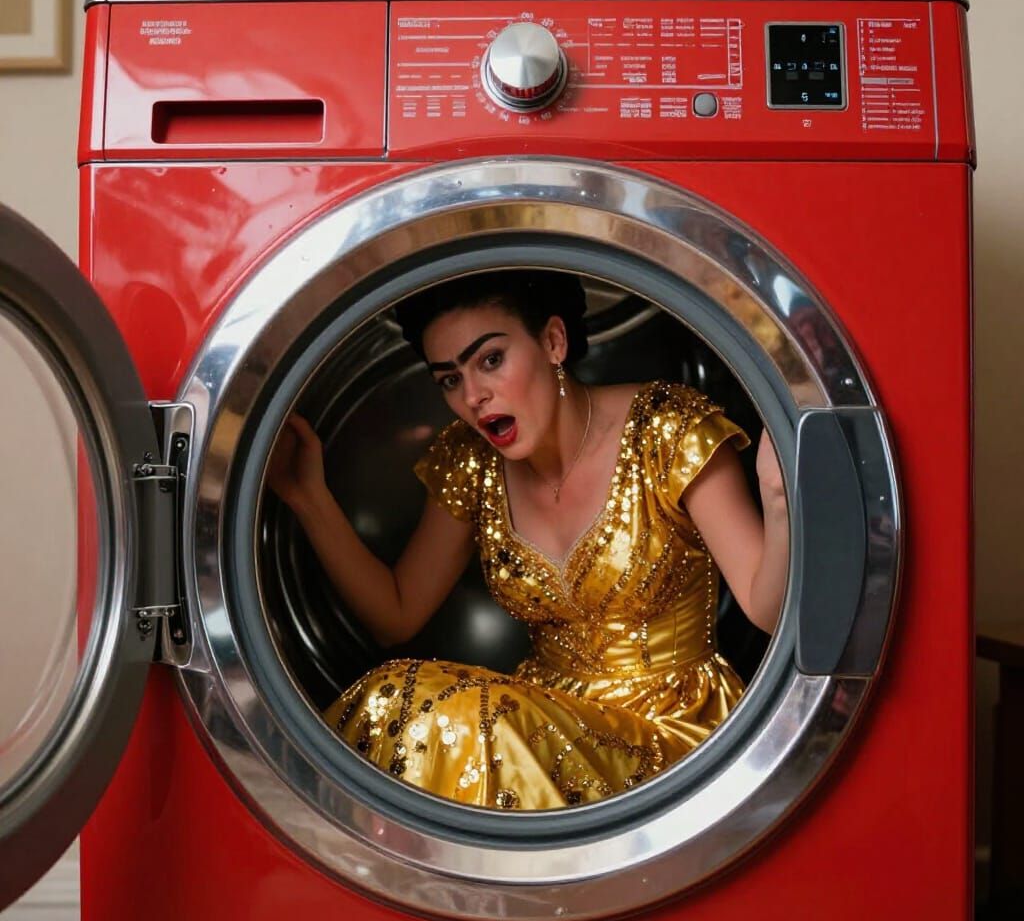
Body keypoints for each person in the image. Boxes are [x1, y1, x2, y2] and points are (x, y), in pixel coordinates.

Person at [267, 271, 788, 810]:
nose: (473, 396)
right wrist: (308, 497)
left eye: (491, 360)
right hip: (533, 734)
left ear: (553, 342)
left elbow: (768, 609)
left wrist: (778, 498)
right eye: (449, 379)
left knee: (468, 720)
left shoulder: (664, 430)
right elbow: (395, 615)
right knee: (396, 696)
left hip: (675, 738)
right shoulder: (473, 460)